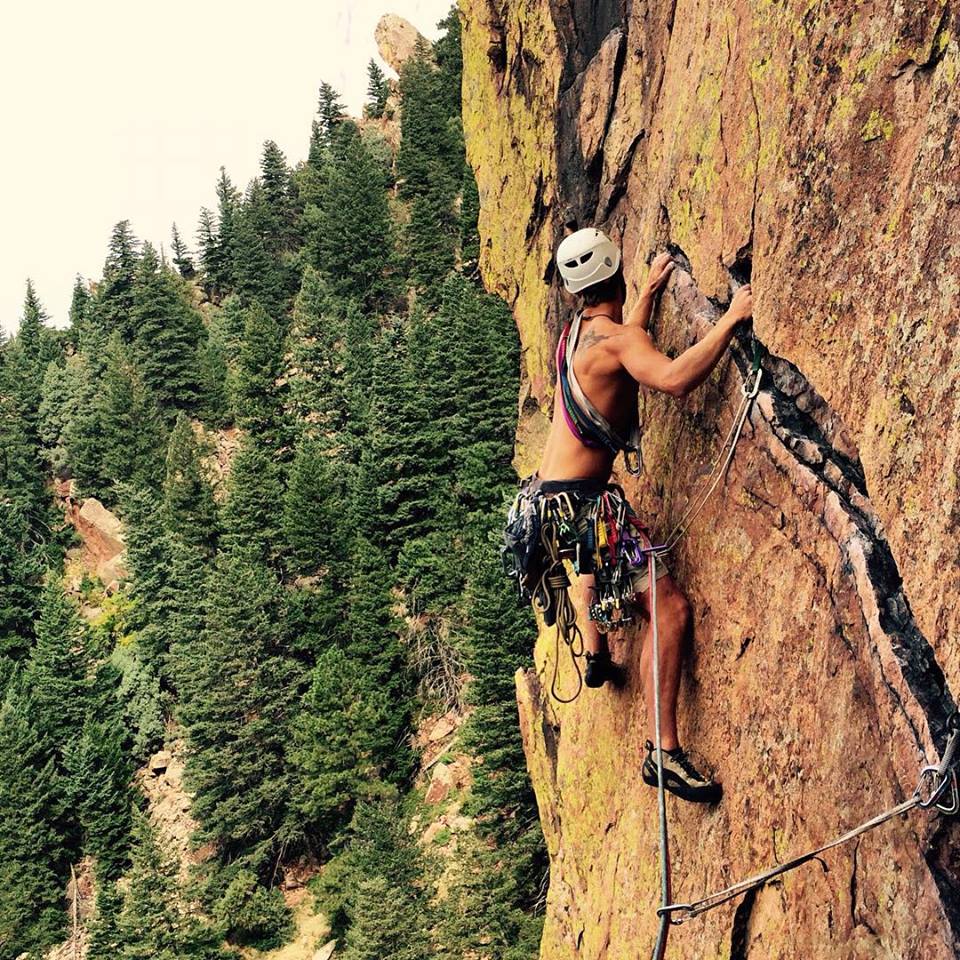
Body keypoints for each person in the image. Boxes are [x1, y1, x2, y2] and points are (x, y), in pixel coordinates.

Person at [512, 227, 753, 803]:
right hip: (584, 507)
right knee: (668, 607)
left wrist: (645, 295)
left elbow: (622, 339)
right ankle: (663, 753)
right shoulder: (615, 343)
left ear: (576, 291)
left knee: (605, 582)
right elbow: (669, 378)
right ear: (614, 274)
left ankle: (599, 645)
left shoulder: (574, 336)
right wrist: (730, 319)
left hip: (550, 503)